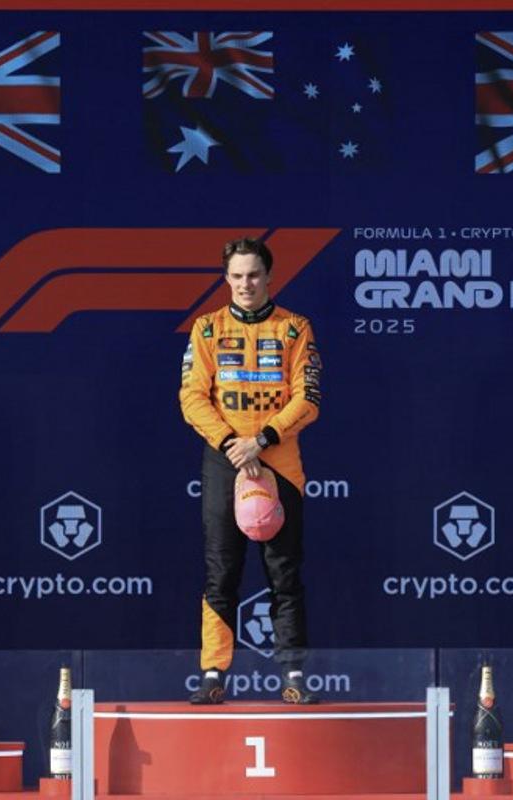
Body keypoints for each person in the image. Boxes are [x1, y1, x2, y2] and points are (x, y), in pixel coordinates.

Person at [179, 237, 322, 705]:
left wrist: (260, 440)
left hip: (278, 457)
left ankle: (295, 675)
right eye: (237, 276)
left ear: (269, 277)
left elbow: (309, 399)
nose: (246, 284)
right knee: (221, 572)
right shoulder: (205, 330)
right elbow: (192, 398)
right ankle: (213, 672)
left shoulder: (295, 329)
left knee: (284, 572)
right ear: (226, 279)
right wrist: (231, 444)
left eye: (254, 275)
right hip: (225, 458)